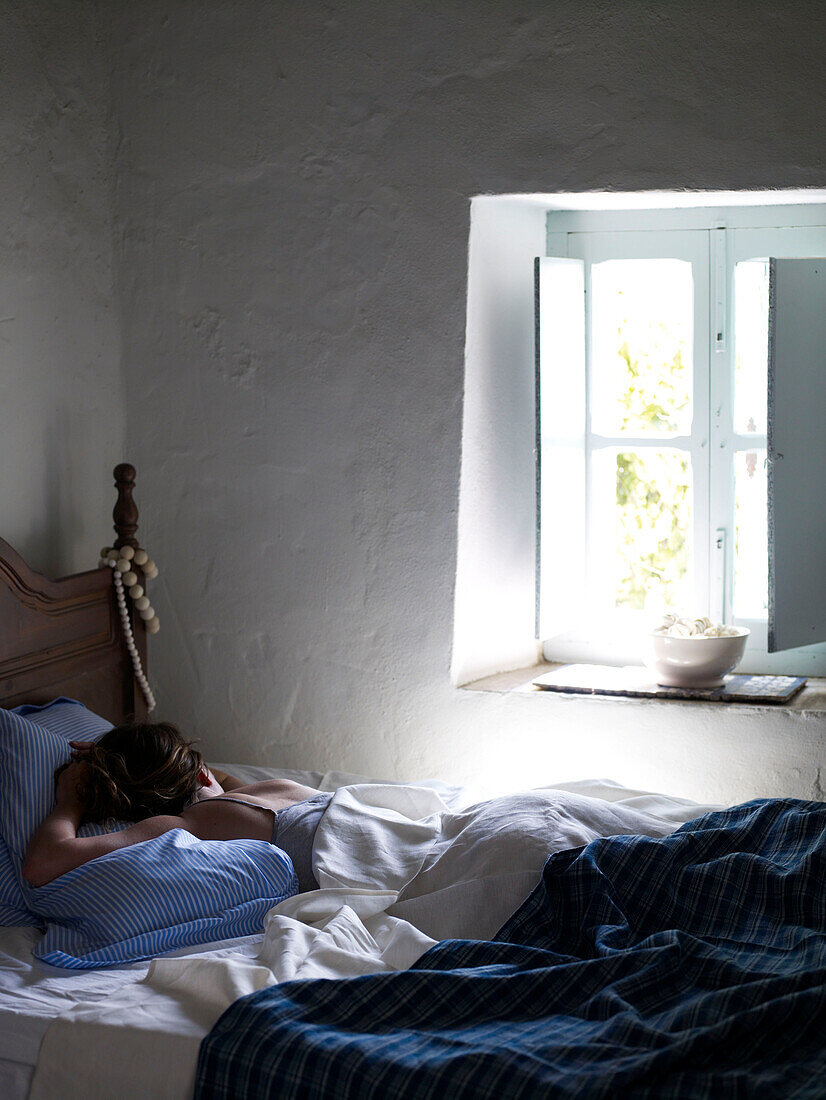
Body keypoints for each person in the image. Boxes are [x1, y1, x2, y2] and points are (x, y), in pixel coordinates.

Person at [23, 722, 332, 891]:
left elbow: (42, 864)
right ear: (199, 773)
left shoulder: (200, 819)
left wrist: (70, 802)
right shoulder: (276, 788)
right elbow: (214, 777)